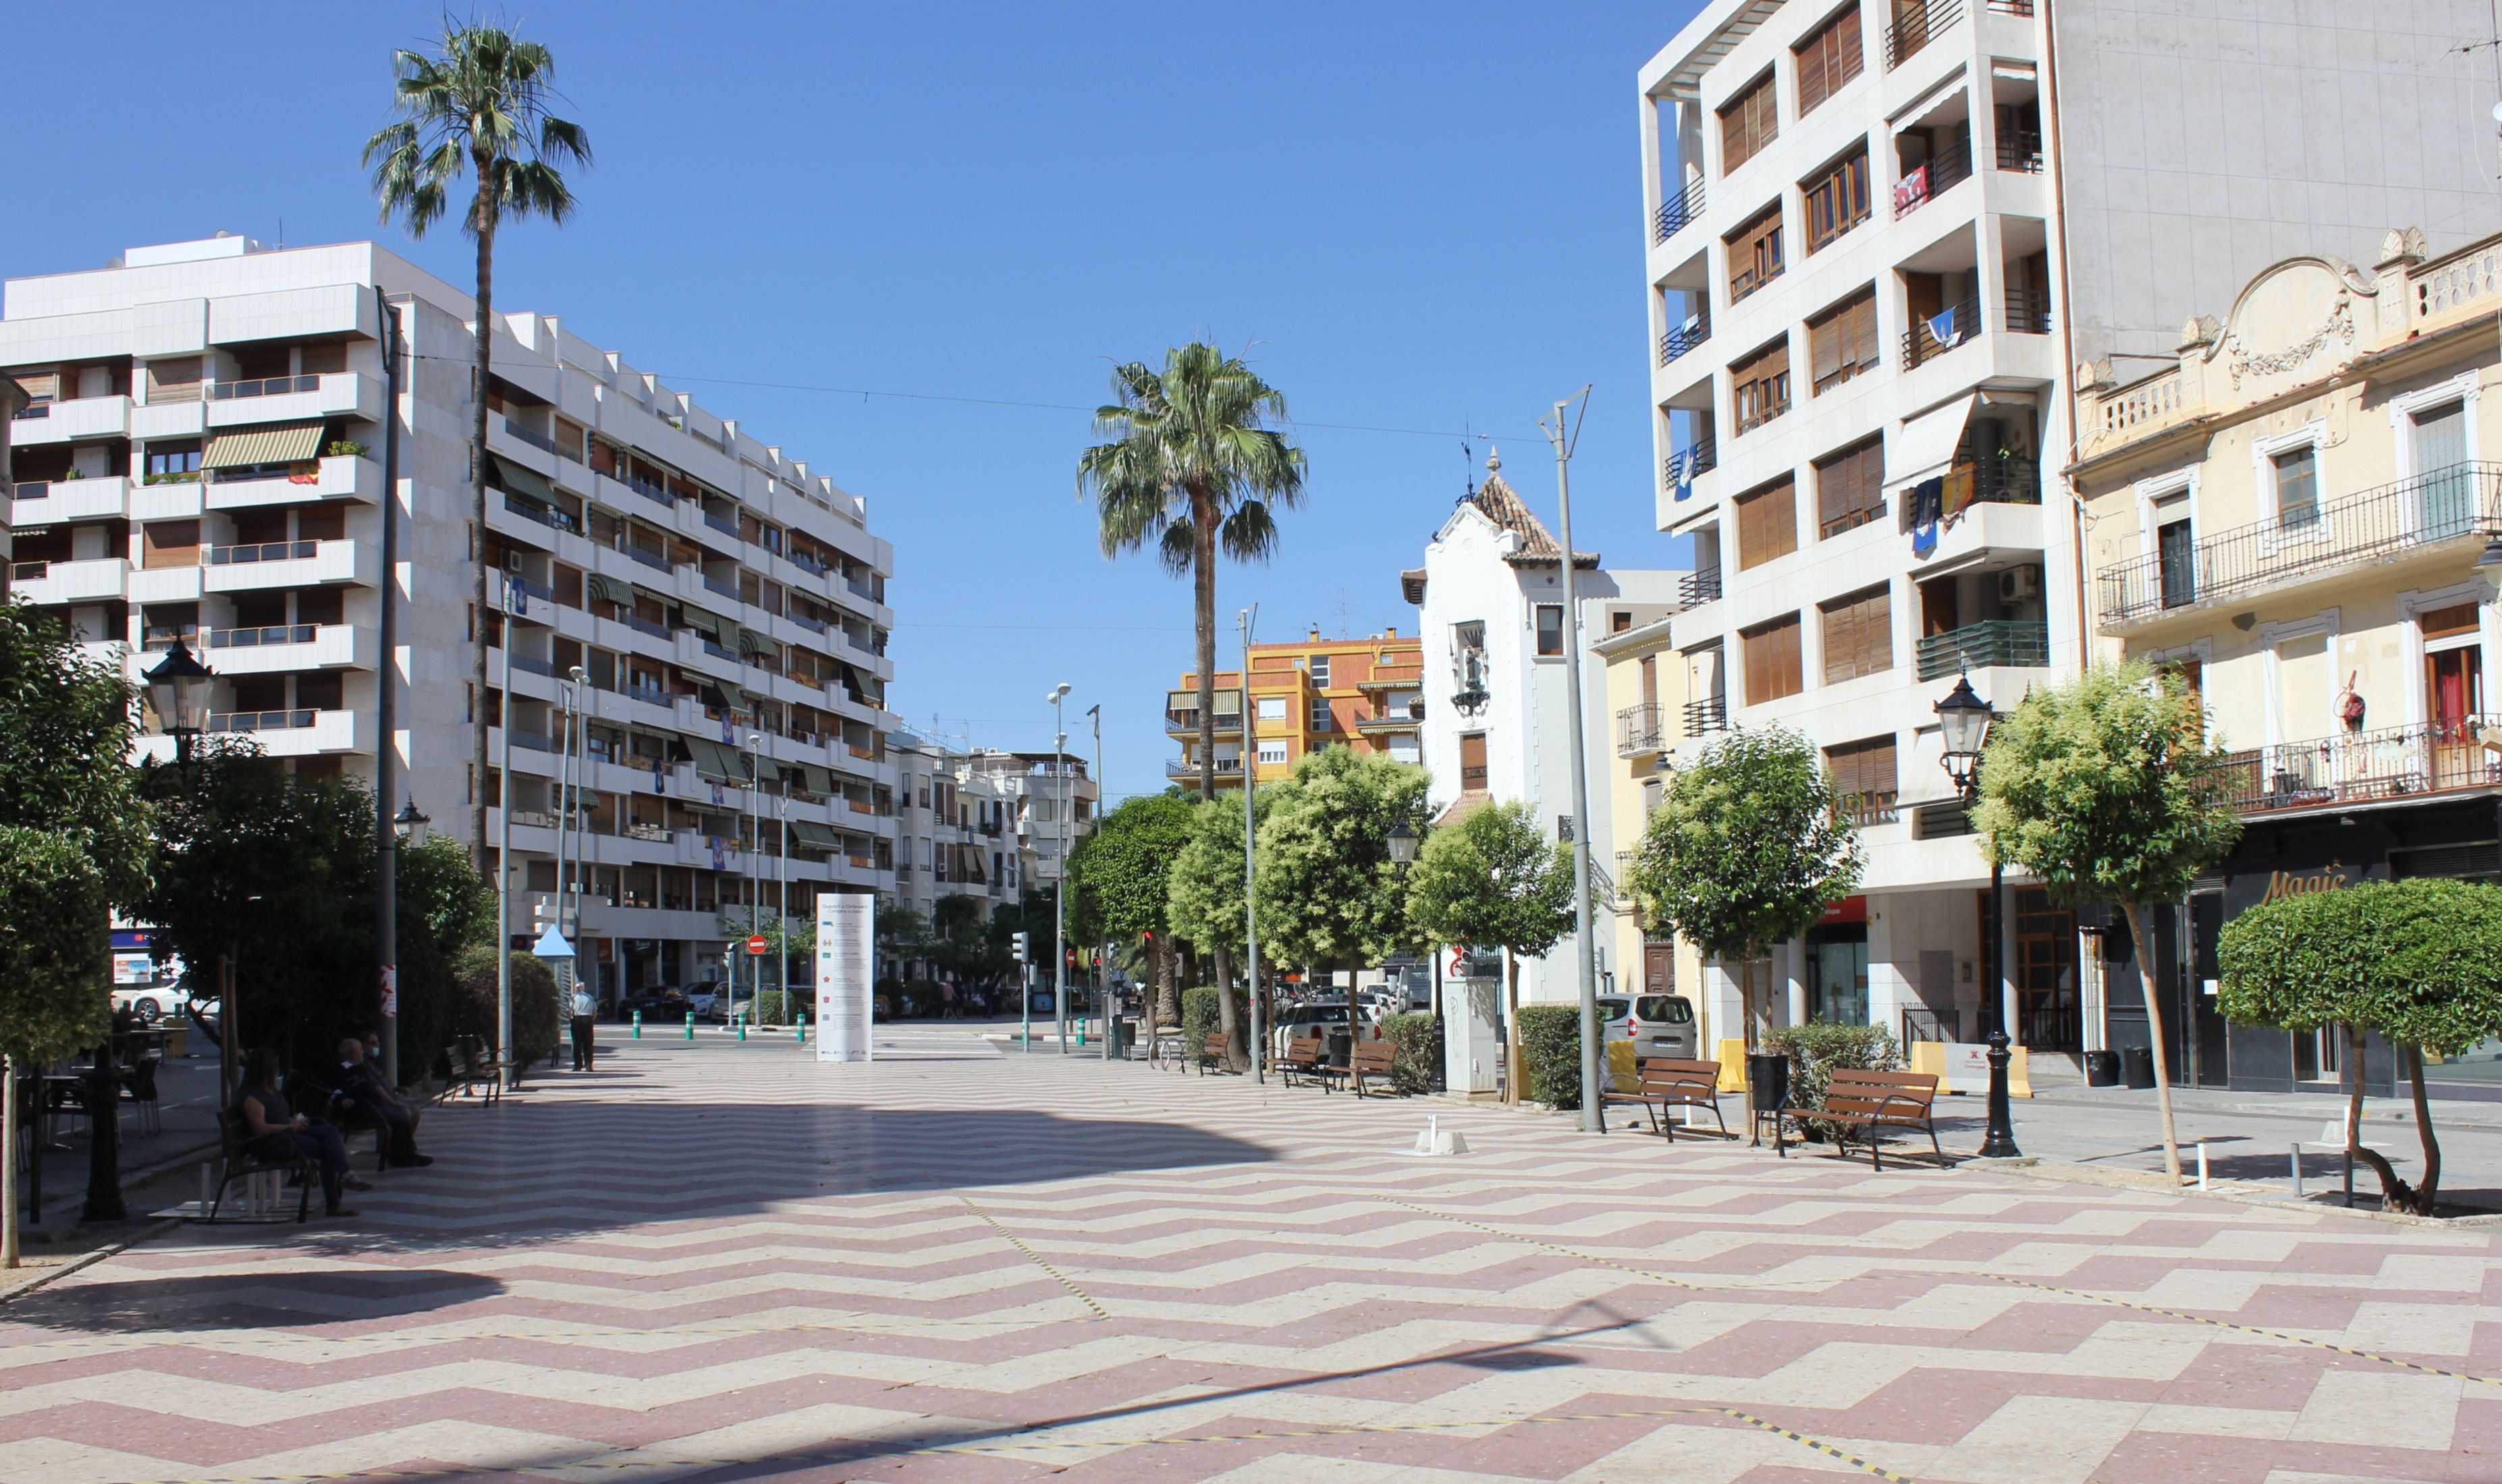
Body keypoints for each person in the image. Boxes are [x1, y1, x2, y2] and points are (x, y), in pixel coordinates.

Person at [236, 1047, 362, 1217]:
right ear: (265, 1069)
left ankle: (346, 1175)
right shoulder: (252, 1097)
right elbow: (260, 1128)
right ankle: (336, 1201)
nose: (277, 1070)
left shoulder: (272, 1091)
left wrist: (293, 1121)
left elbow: (279, 1116)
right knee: (328, 1150)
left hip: (287, 1135)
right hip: (272, 1143)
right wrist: (290, 1127)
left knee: (329, 1131)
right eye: (275, 1067)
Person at [331, 1037, 432, 1168]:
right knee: (400, 1117)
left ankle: (405, 1154)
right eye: (360, 1049)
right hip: (360, 1109)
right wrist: (343, 1099)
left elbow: (376, 1086)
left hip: (374, 1105)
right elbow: (334, 1089)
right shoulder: (338, 1069)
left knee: (401, 1114)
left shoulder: (360, 1067)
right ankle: (401, 1157)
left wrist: (393, 1101)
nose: (362, 1052)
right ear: (353, 1053)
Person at [569, 983, 597, 1070]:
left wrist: (571, 1019)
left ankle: (577, 1066)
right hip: (588, 1019)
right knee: (588, 1044)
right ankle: (588, 1066)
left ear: (576, 988)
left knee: (577, 1044)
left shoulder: (573, 998)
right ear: (584, 988)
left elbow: (569, 1010)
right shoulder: (589, 998)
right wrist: (591, 1019)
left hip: (577, 1019)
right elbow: (595, 1011)